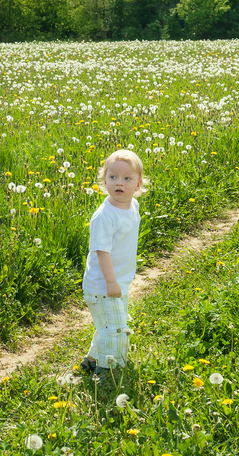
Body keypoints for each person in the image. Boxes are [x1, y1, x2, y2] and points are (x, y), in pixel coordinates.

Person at [80, 149, 148, 378]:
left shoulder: (132, 207)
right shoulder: (104, 216)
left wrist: (119, 281)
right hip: (103, 285)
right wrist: (111, 282)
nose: (119, 183)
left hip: (119, 281)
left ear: (138, 184)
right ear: (104, 180)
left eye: (127, 178)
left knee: (109, 324)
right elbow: (101, 251)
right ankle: (109, 372)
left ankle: (91, 360)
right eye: (113, 177)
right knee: (117, 330)